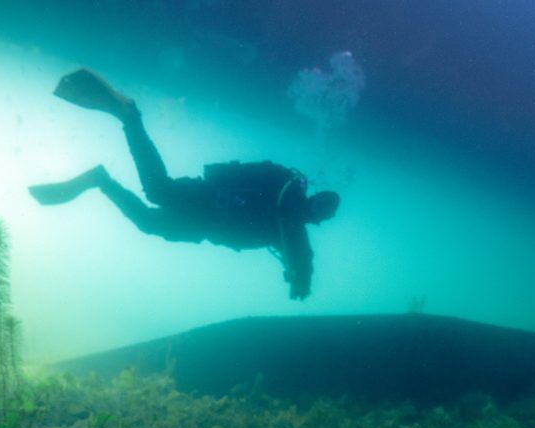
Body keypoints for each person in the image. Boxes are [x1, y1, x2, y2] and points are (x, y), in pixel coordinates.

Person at [29, 69, 340, 300]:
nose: (316, 211)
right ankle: (130, 117)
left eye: (322, 213)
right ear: (315, 198)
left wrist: (298, 274)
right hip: (207, 201)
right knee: (157, 190)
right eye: (321, 204)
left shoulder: (287, 226)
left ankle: (100, 179)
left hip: (206, 227)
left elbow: (293, 245)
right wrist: (303, 277)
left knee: (149, 222)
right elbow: (296, 240)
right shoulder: (289, 199)